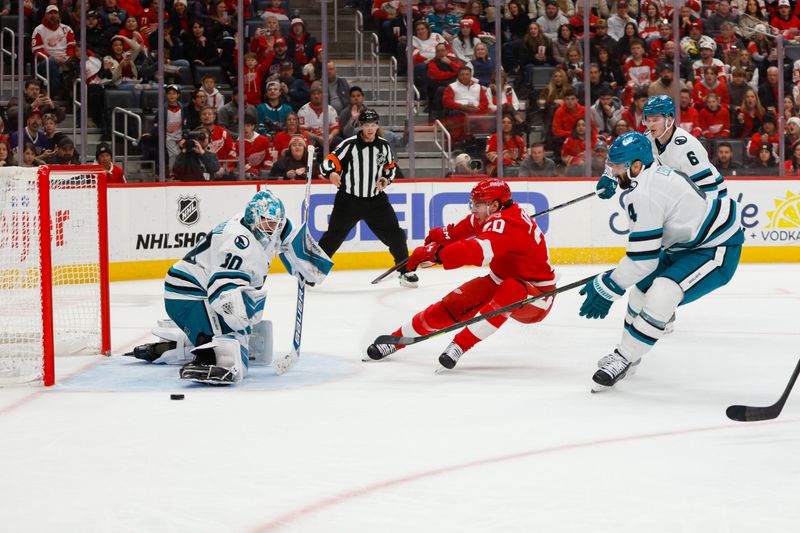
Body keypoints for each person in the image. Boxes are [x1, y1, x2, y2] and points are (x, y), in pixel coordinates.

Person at [581, 131, 743, 391]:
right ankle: (628, 356)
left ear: (636, 166)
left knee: (662, 292)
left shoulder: (644, 194)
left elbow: (643, 259)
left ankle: (624, 357)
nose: (612, 171)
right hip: (687, 244)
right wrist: (612, 178)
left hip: (717, 247)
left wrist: (609, 287)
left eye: (616, 167)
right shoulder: (650, 173)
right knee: (642, 288)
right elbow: (646, 256)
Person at [124, 190, 332, 384]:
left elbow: (289, 235)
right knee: (229, 352)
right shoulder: (238, 241)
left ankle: (178, 346)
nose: (273, 229)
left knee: (237, 340)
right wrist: (239, 326)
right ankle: (202, 357)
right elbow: (222, 291)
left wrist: (309, 265)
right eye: (268, 224)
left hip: (205, 290)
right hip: (186, 294)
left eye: (275, 223)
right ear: (254, 218)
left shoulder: (264, 224)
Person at [366, 179, 557, 369]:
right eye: (473, 204)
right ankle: (396, 340)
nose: (473, 209)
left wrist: (436, 254)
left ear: (495, 205)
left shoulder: (507, 224)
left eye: (478, 204)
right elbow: (460, 231)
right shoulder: (488, 216)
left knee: (512, 289)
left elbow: (475, 251)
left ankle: (459, 345)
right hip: (500, 279)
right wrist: (440, 237)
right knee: (453, 305)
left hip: (538, 296)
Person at [318, 109, 417, 288]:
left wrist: (385, 179)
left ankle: (405, 271)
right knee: (332, 238)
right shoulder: (350, 144)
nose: (370, 129)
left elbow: (390, 168)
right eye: (366, 125)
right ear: (360, 126)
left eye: (373, 125)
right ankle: (313, 270)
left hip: (376, 201)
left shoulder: (384, 146)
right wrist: (332, 173)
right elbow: (328, 161)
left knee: (396, 235)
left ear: (378, 125)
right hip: (348, 200)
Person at [625, 95, 728, 199]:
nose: (650, 125)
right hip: (682, 195)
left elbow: (709, 189)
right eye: (648, 119)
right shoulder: (648, 139)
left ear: (669, 120)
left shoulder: (688, 147)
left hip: (715, 200)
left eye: (655, 120)